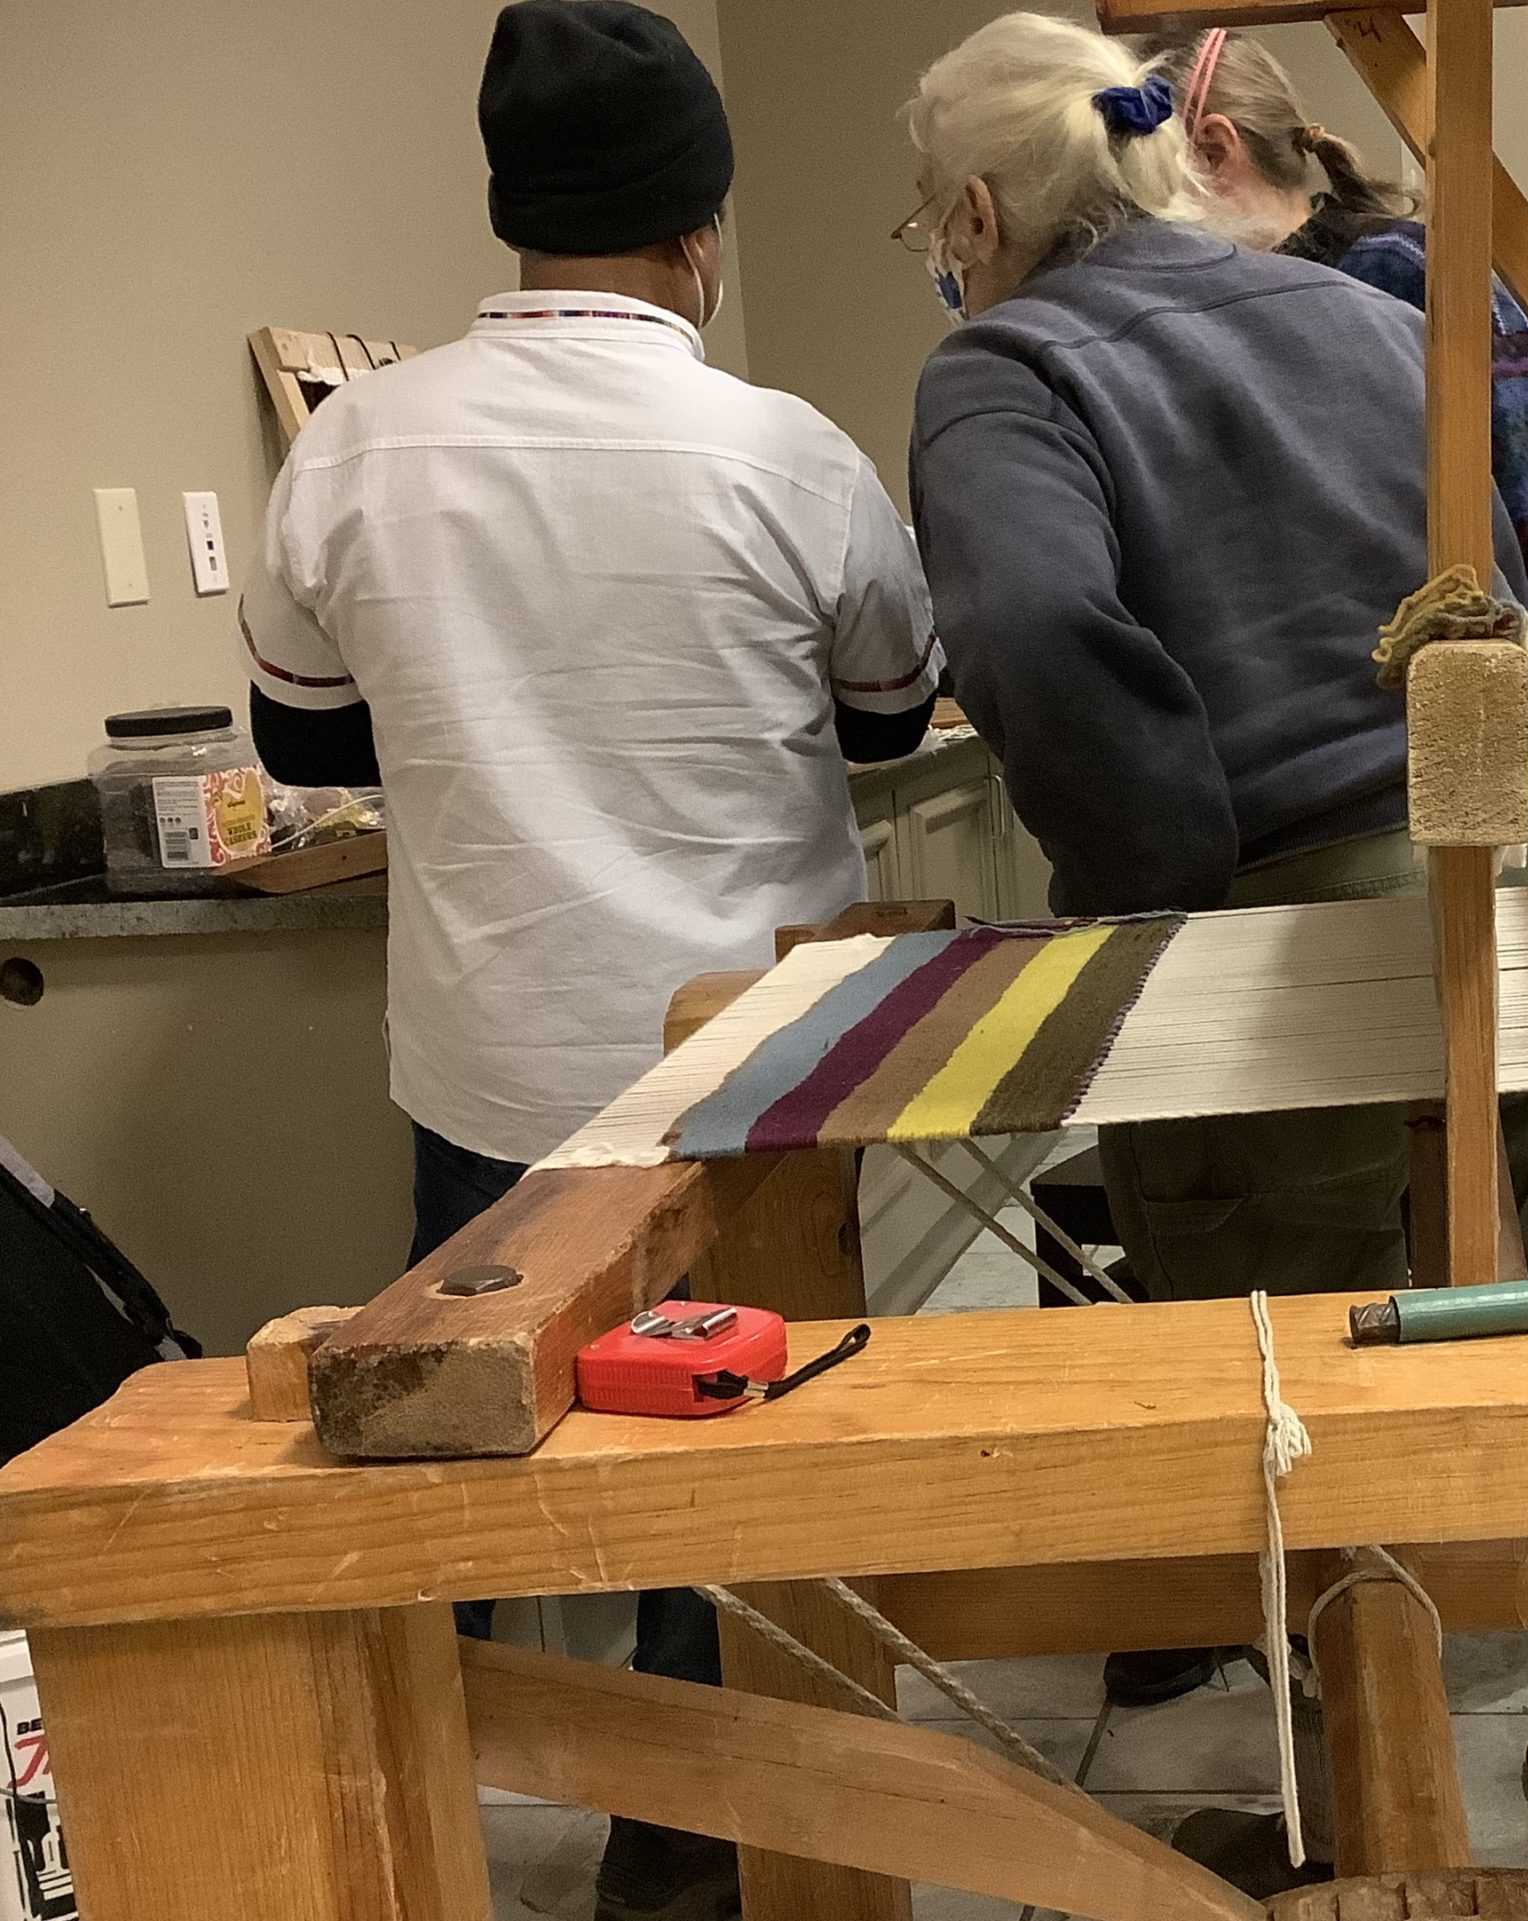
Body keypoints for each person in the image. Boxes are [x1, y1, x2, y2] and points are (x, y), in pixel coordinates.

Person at [899, 11, 1528, 1885]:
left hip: (1279, 921)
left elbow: (1039, 634)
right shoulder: (1379, 318)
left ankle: (1366, 1818)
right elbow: (1516, 599)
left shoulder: (1006, 372)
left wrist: (1162, 879)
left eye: (931, 223)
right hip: (1526, 884)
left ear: (979, 208)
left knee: (1290, 1390)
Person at [239, 5, 938, 1914]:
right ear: (699, 230)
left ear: (516, 217)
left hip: (491, 1055)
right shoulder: (781, 453)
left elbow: (305, 743)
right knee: (729, 1452)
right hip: (755, 1055)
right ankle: (690, 1834)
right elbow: (891, 719)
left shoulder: (359, 444)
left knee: (474, 1437)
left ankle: (425, 1807)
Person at [1140, 28, 1528, 661]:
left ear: (1215, 149)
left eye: (1139, 181)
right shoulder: (1193, 321)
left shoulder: (1415, 274)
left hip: (1461, 695)